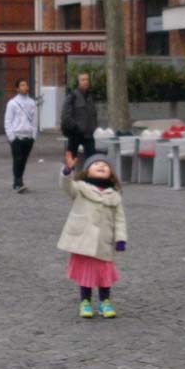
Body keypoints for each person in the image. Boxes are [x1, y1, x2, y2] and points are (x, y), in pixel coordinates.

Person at [57, 152, 128, 318]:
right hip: (84, 239)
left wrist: (121, 238)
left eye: (105, 165)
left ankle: (105, 302)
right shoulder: (80, 188)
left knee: (104, 273)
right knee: (86, 273)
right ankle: (85, 302)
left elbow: (120, 219)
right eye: (96, 164)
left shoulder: (114, 195)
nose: (101, 166)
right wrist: (67, 171)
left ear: (111, 173)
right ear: (87, 171)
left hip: (104, 240)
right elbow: (67, 186)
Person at [4, 79, 38, 193]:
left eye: (26, 84)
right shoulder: (12, 103)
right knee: (17, 159)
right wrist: (11, 137)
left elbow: (34, 120)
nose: (25, 86)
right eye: (22, 85)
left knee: (23, 160)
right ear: (17, 89)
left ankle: (18, 181)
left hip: (28, 137)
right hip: (17, 136)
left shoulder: (32, 103)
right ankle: (18, 183)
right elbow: (8, 121)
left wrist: (33, 135)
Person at [61, 72, 98, 158]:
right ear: (78, 82)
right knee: (71, 161)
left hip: (89, 135)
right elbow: (66, 116)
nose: (86, 82)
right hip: (75, 135)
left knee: (92, 160)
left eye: (87, 79)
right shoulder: (72, 96)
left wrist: (94, 127)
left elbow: (94, 114)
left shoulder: (90, 97)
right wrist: (76, 127)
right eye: (83, 80)